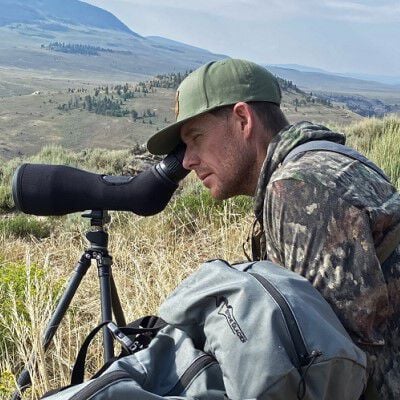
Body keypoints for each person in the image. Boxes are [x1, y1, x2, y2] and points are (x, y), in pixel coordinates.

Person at [146, 59, 400, 399]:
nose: (188, 160)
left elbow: (338, 368)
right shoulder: (324, 161)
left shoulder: (298, 189)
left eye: (196, 138)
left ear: (242, 120)